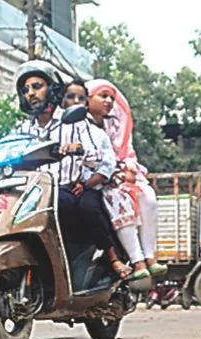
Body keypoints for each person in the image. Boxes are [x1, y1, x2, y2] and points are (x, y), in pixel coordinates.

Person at [13, 61, 118, 262]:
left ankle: (99, 257)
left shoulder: (73, 120)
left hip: (66, 189)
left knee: (69, 204)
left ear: (52, 89)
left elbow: (96, 156)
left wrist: (77, 148)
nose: (31, 94)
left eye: (37, 87)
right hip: (32, 193)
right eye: (26, 90)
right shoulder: (23, 129)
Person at [63, 82, 148, 281]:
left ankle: (113, 256)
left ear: (86, 103)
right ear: (62, 100)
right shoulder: (53, 128)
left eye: (80, 98)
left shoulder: (97, 134)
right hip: (56, 187)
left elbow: (107, 165)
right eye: (70, 97)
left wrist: (86, 184)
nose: (75, 102)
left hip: (87, 187)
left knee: (89, 207)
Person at [85, 79, 163, 278]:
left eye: (111, 97)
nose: (109, 101)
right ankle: (137, 261)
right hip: (96, 181)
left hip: (121, 174)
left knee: (148, 196)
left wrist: (128, 169)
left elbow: (126, 151)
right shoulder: (80, 126)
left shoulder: (115, 123)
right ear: (88, 99)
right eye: (103, 96)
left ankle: (150, 256)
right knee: (118, 200)